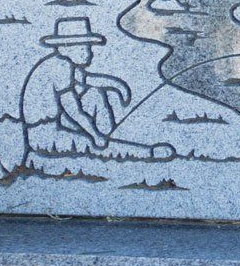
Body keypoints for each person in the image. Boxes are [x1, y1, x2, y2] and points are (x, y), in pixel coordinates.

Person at [17, 18, 173, 166]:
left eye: (89, 47)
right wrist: (94, 135)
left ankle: (107, 139)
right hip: (44, 134)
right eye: (85, 47)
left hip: (55, 125)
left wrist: (119, 87)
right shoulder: (60, 66)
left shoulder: (65, 64)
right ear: (66, 48)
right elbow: (71, 109)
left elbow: (90, 79)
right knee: (91, 139)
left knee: (94, 94)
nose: (89, 52)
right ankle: (138, 150)